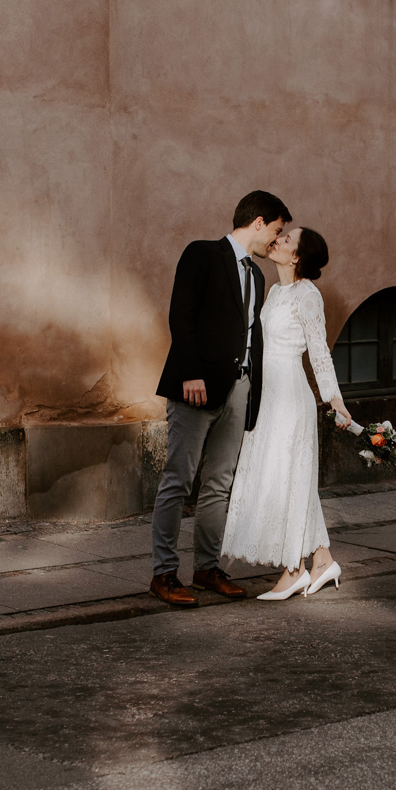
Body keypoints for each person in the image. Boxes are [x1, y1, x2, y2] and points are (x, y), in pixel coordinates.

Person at [149, 190, 290, 608]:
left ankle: (207, 567)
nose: (276, 242)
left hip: (240, 389)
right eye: (276, 231)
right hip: (198, 385)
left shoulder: (258, 276)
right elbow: (182, 313)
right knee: (179, 479)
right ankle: (164, 573)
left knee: (220, 484)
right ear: (259, 222)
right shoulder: (203, 253)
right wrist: (190, 370)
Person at [220, 224, 352, 600]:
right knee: (289, 479)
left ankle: (294, 570)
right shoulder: (276, 292)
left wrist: (334, 401)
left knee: (287, 479)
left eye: (287, 239)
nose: (278, 240)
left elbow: (319, 351)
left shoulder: (308, 296)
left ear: (296, 256)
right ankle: (323, 561)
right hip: (268, 396)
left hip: (292, 399)